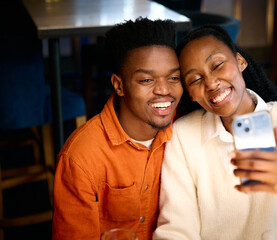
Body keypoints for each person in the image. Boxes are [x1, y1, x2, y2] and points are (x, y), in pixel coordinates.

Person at [153, 25, 277, 239]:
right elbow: (176, 229)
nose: (211, 83)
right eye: (195, 79)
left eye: (217, 65)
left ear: (240, 62)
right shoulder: (183, 136)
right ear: (190, 93)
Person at [52, 17, 183, 240]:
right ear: (119, 85)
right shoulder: (82, 157)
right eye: (146, 80)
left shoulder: (185, 132)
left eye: (173, 77)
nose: (164, 90)